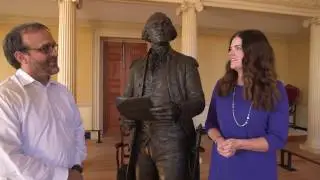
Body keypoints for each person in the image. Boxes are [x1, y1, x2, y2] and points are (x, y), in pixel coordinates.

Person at [120, 12, 205, 180]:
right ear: (147, 33)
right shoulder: (136, 67)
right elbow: (127, 101)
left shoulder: (186, 64)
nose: (159, 28)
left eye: (163, 25)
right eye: (154, 26)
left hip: (173, 142)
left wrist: (179, 109)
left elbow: (199, 101)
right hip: (142, 141)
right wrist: (126, 117)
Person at [0, 22, 87, 180]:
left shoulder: (62, 92)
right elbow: (8, 158)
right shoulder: (6, 96)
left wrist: (76, 166)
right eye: (45, 48)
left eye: (54, 46)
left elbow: (77, 130)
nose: (54, 53)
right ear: (21, 57)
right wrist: (63, 176)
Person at [205, 29, 289, 180]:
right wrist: (219, 141)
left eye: (238, 48)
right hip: (223, 167)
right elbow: (210, 123)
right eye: (230, 48)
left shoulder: (275, 89)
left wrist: (239, 144)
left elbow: (277, 138)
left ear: (255, 53)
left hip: (257, 170)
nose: (231, 53)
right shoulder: (221, 86)